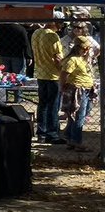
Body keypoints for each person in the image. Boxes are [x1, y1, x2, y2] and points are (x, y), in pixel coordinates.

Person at [31, 14, 66, 144]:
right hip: (53, 75)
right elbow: (57, 58)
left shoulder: (36, 32)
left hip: (40, 72)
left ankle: (41, 133)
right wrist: (64, 70)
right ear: (54, 22)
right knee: (53, 105)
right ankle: (52, 133)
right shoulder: (52, 36)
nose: (61, 25)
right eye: (60, 22)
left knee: (43, 104)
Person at [59, 35, 96, 152]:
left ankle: (70, 138)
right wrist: (63, 86)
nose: (87, 51)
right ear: (79, 48)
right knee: (79, 116)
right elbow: (64, 74)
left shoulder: (83, 59)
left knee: (77, 115)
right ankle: (76, 141)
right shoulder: (72, 59)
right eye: (85, 49)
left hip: (86, 89)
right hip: (77, 89)